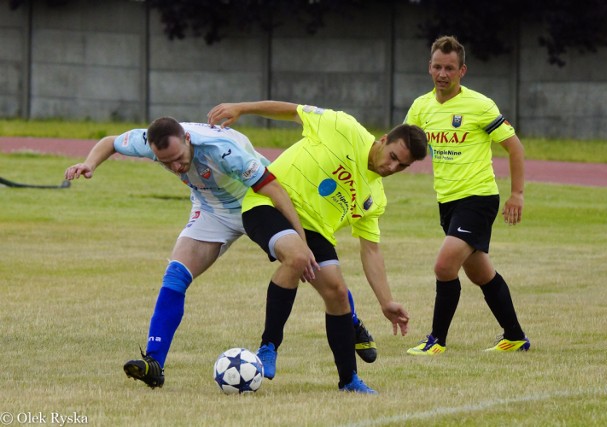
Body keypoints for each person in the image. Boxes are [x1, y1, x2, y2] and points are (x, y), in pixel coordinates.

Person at [63, 118, 378, 389]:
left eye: (178, 158)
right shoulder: (153, 141)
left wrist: (299, 234)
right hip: (212, 210)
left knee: (308, 267)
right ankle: (154, 364)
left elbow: (272, 187)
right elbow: (110, 142)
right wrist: (89, 163)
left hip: (256, 203)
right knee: (175, 275)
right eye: (166, 162)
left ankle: (349, 321)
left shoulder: (222, 151)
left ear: (188, 140)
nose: (175, 167)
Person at [207, 101, 428, 394]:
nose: (392, 167)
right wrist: (242, 109)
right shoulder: (344, 127)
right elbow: (291, 111)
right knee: (297, 258)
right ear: (384, 139)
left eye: (402, 166)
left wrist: (386, 301)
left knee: (337, 293)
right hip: (268, 204)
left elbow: (371, 250)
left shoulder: (375, 197)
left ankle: (348, 379)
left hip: (315, 231)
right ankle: (268, 346)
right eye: (393, 157)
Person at [404, 35, 530, 356]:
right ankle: (515, 336)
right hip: (447, 202)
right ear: (429, 68)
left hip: (478, 199)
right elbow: (405, 142)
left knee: (444, 266)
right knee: (480, 272)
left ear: (462, 71)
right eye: (437, 67)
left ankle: (436, 341)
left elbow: (514, 147)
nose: (442, 73)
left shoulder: (480, 105)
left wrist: (517, 194)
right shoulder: (422, 106)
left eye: (449, 68)